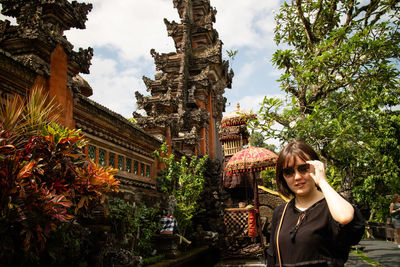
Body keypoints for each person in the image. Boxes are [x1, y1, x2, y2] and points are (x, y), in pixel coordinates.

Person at [267, 141, 365, 267]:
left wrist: (322, 181)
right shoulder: (281, 212)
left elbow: (345, 218)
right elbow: (272, 257)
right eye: (288, 172)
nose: (297, 177)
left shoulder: (331, 206)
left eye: (303, 169)